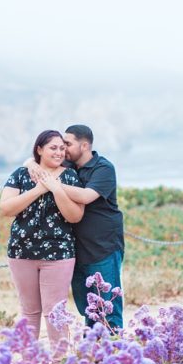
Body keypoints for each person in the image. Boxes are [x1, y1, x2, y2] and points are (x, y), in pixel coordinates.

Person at [28, 124, 125, 329]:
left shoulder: (103, 168)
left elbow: (86, 196)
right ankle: (92, 352)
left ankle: (114, 352)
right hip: (76, 249)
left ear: (84, 145)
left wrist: (51, 183)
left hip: (103, 247)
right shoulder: (69, 167)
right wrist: (31, 164)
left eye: (68, 144)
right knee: (87, 306)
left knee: (107, 305)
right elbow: (34, 160)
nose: (63, 149)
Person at [0, 130, 85, 351]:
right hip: (21, 252)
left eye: (62, 148)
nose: (59, 152)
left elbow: (75, 216)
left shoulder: (70, 176)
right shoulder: (21, 174)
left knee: (55, 311)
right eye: (52, 148)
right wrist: (39, 189)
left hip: (58, 254)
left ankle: (60, 362)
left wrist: (56, 189)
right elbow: (6, 208)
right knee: (29, 311)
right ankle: (29, 363)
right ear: (39, 149)